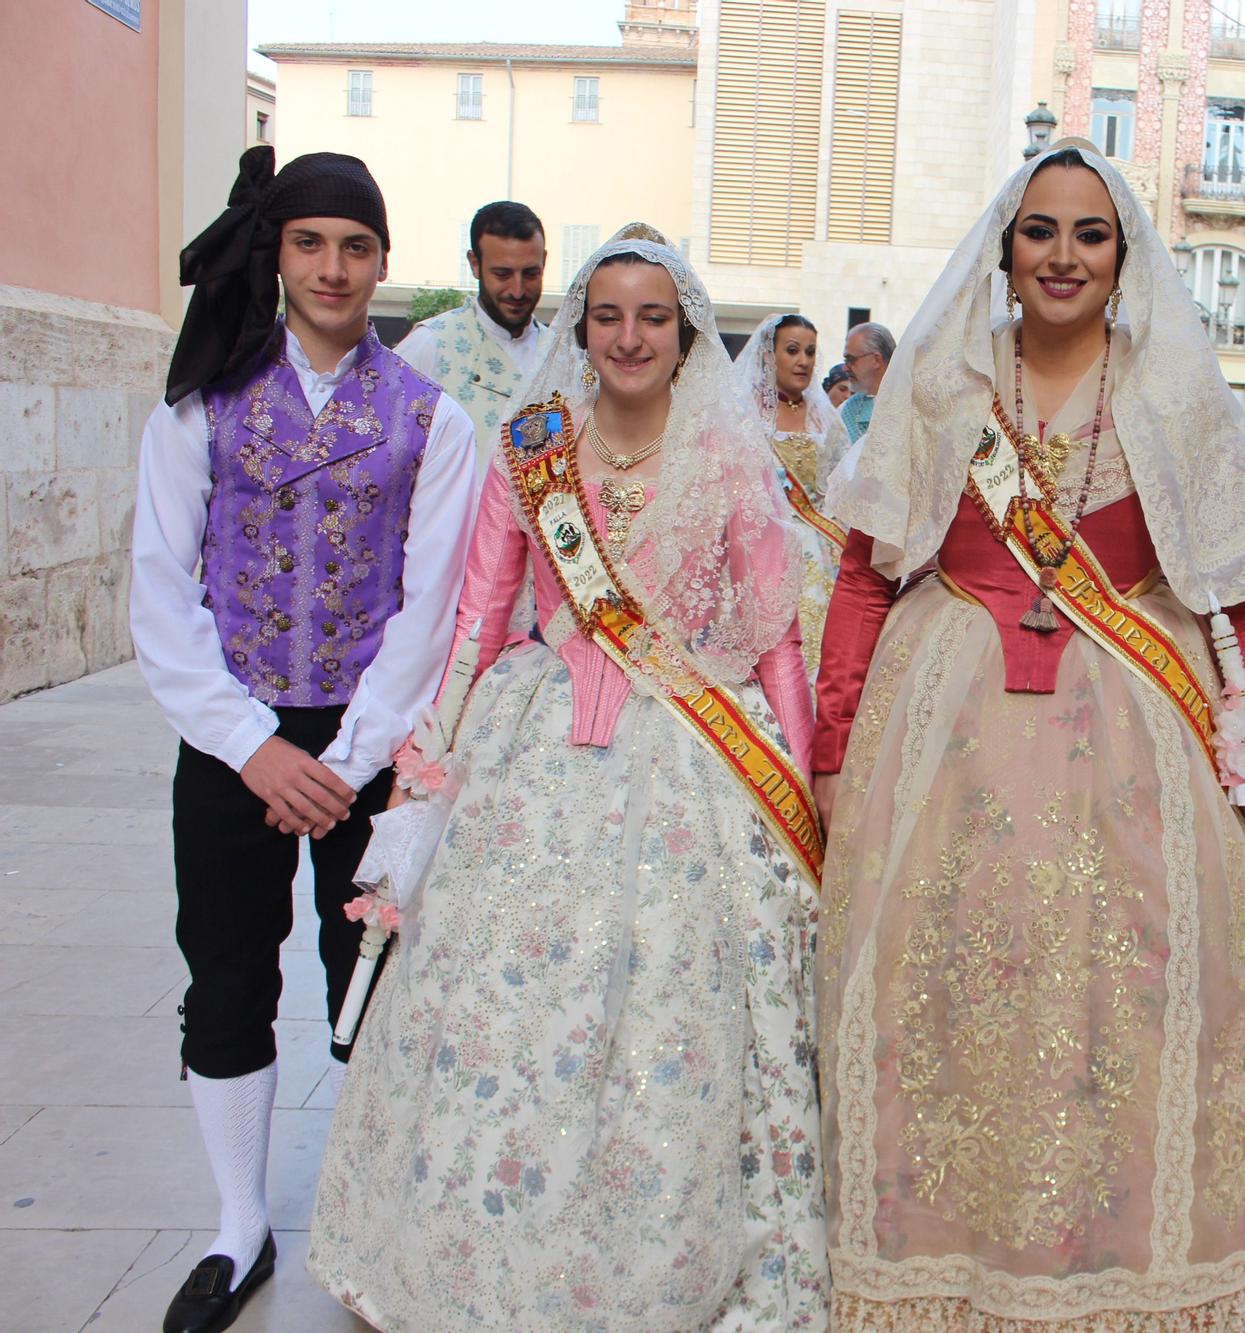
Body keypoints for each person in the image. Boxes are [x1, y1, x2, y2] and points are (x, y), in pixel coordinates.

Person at [811, 140, 1245, 1329]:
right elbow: (861, 574)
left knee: (1123, 996)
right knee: (937, 994)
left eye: (1089, 234)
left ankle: (1104, 1269)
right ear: (1004, 250)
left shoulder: (1169, 391)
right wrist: (834, 750)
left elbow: (1241, 603)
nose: (1062, 255)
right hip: (942, 732)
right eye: (1040, 231)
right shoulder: (945, 380)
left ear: (1122, 257)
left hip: (1131, 737)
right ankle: (938, 1262)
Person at [307, 225, 828, 1330]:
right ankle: (478, 1253)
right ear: (578, 328)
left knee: (669, 1012)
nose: (627, 336)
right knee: (499, 1011)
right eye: (605, 315)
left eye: (650, 316)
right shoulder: (530, 447)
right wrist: (428, 759)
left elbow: (777, 639)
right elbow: (475, 618)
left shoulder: (731, 461)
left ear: (683, 333)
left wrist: (800, 782)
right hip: (531, 749)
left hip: (689, 753)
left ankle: (660, 1253)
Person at [131, 146, 479, 1333]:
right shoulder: (200, 404)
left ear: (386, 262)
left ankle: (372, 1223)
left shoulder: (436, 421)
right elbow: (158, 594)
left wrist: (348, 753)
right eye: (311, 243)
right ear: (276, 255)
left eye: (358, 245)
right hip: (230, 738)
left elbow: (430, 606)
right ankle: (239, 1227)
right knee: (226, 971)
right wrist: (249, 743)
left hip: (369, 751)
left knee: (367, 984)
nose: (335, 267)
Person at [735, 313, 854, 673]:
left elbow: (842, 485)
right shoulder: (743, 413)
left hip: (822, 552)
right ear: (769, 356)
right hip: (762, 548)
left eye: (810, 351)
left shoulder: (824, 417)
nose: (803, 360)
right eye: (792, 350)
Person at [394, 201, 548, 457]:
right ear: (475, 264)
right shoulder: (431, 344)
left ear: (544, 262)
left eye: (530, 274)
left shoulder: (564, 352)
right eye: (502, 274)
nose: (517, 290)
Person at [837, 320, 894, 441]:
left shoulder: (910, 405)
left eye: (850, 359)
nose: (845, 367)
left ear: (876, 360)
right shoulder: (844, 411)